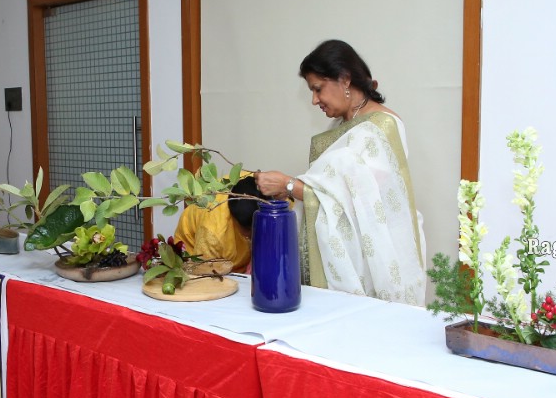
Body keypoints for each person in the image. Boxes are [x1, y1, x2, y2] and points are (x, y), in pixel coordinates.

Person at [255, 39, 426, 305]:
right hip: (344, 257)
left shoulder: (381, 127)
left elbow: (366, 200)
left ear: (345, 79)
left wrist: (289, 185)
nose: (314, 100)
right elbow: (331, 191)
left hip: (373, 263)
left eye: (318, 89)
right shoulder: (343, 127)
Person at [173, 175, 266, 273]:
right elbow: (205, 272)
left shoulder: (260, 183)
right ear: (233, 218)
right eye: (249, 230)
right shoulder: (211, 232)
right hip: (200, 254)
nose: (254, 234)